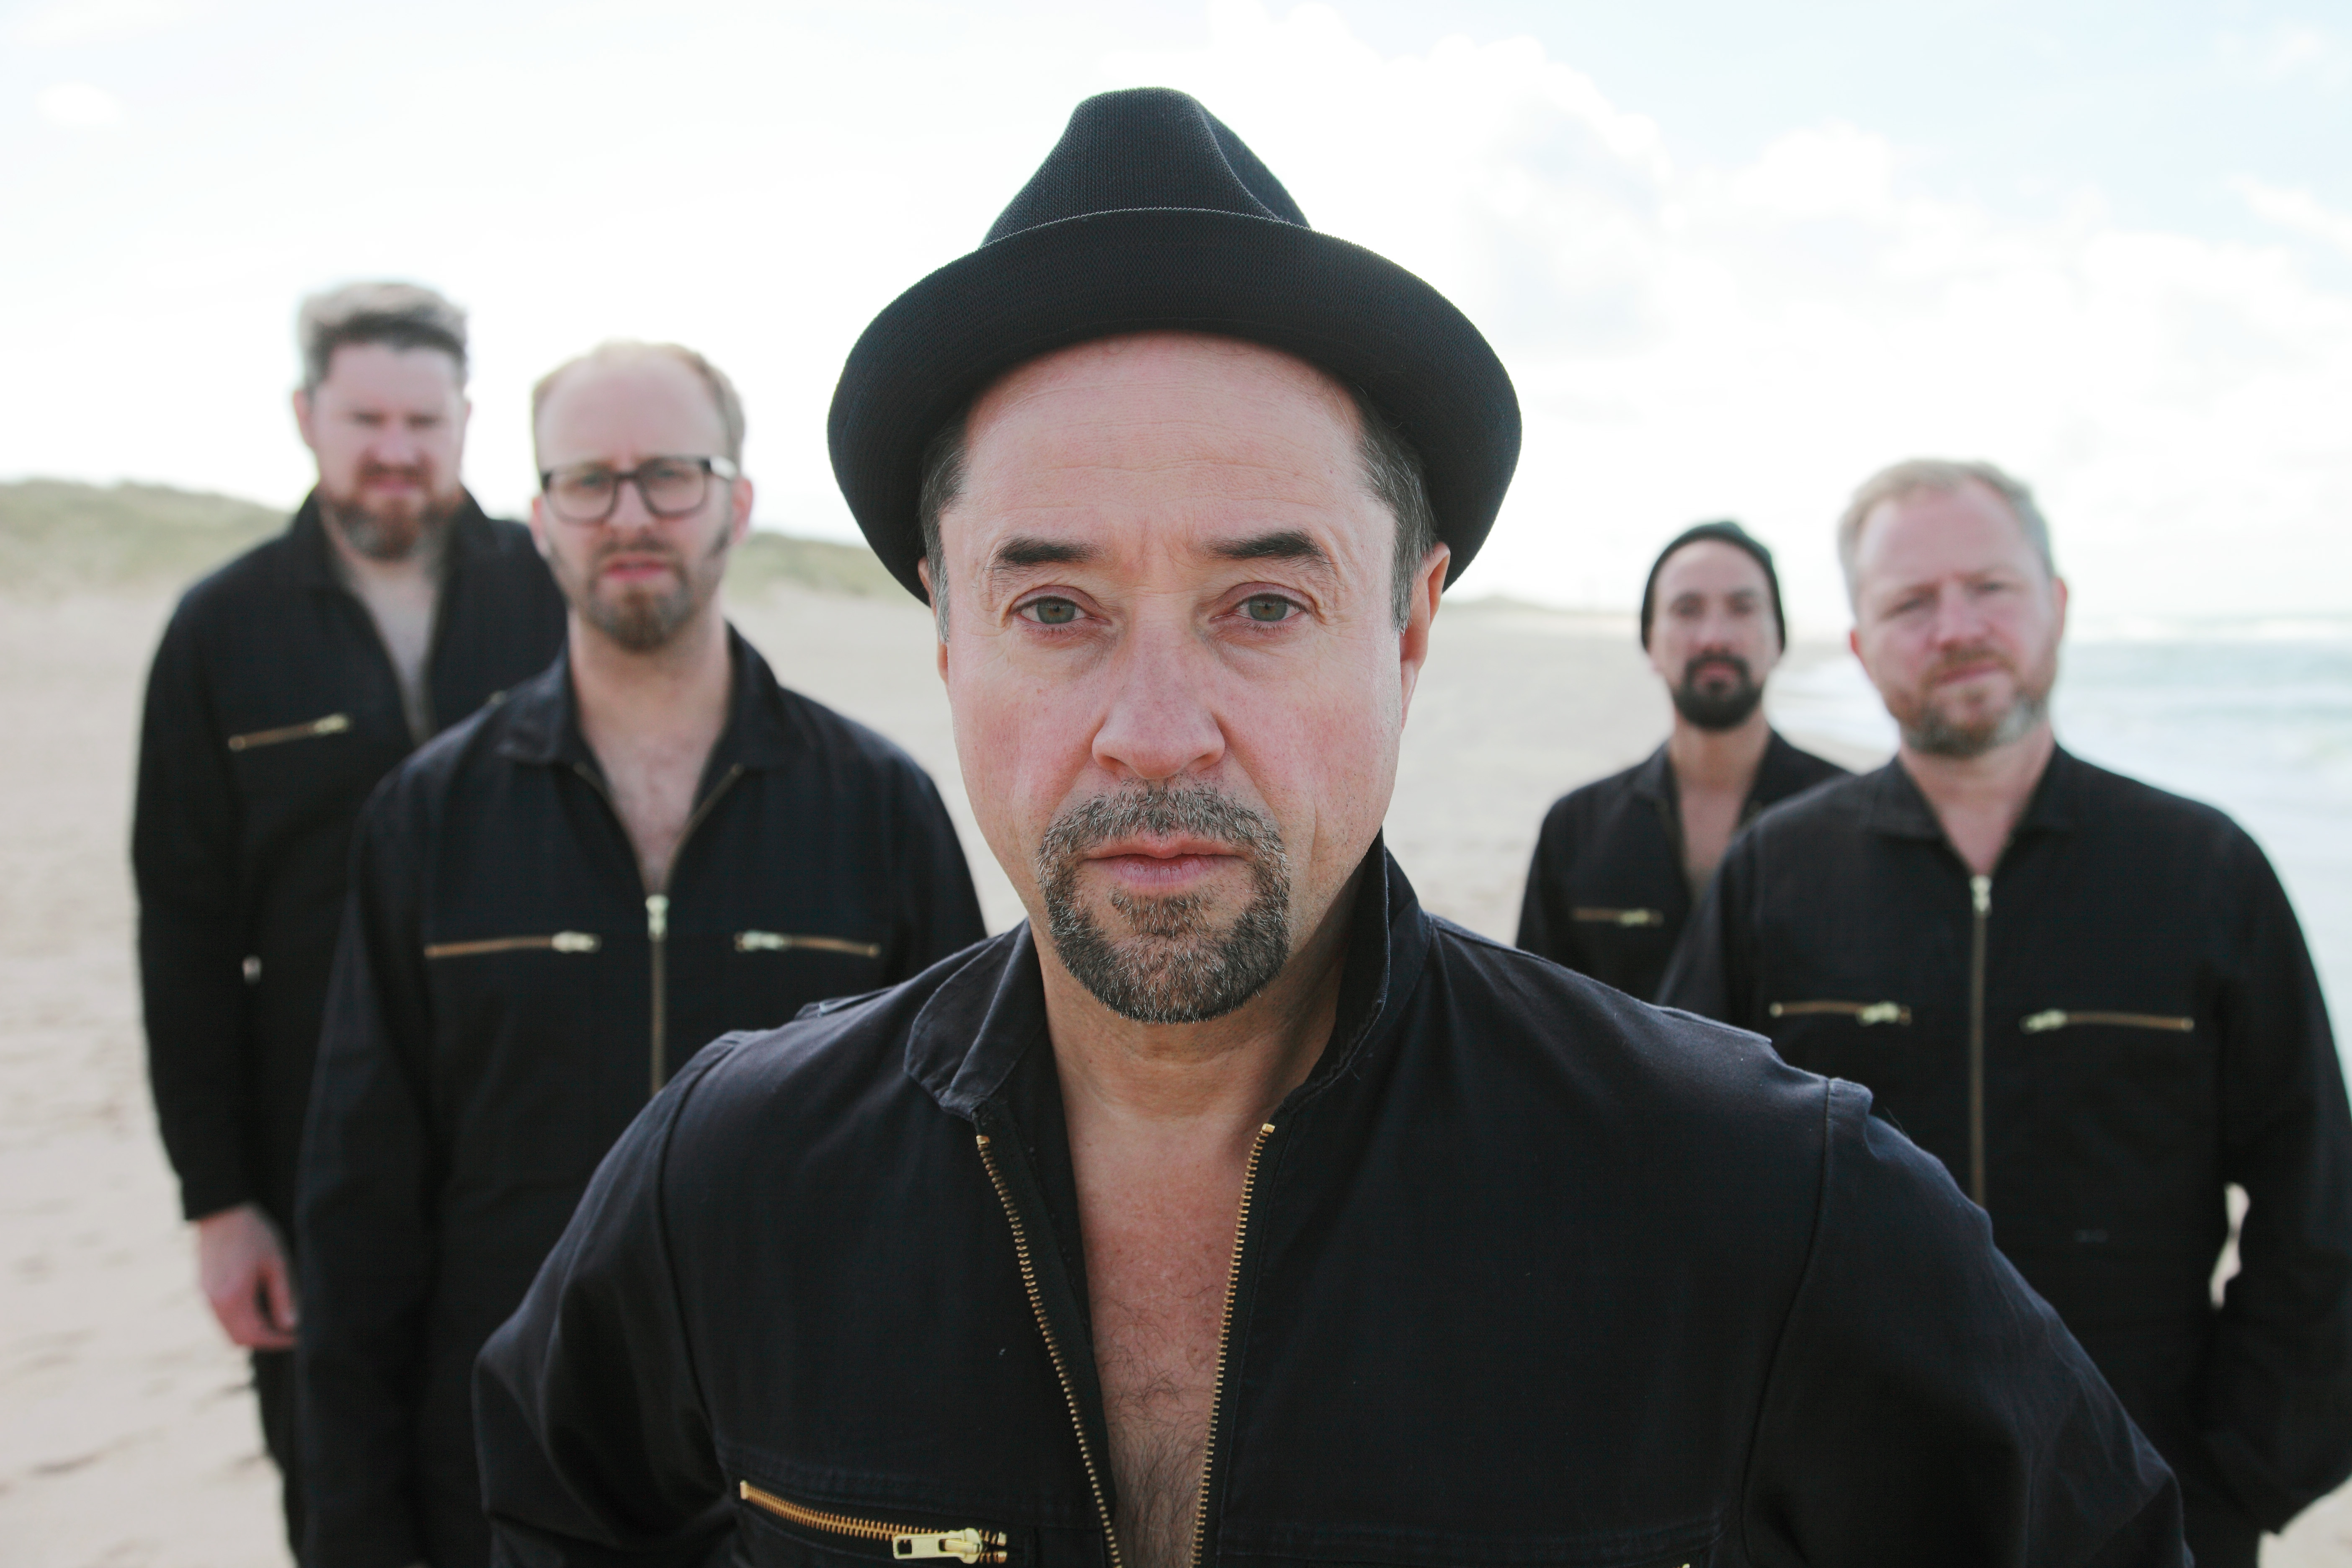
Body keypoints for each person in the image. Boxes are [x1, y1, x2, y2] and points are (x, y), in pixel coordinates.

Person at [475, 91, 2185, 1567]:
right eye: (1056, 608)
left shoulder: (1753, 1198)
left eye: (1263, 605)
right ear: (947, 638)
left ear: (1409, 629)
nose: (1155, 731)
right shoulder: (732, 1175)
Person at [294, 340, 988, 1568]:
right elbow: (360, 1212)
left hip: (802, 1492)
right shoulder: (428, 817)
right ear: (539, 520)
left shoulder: (878, 805)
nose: (628, 516)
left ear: (738, 502)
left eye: (671, 474)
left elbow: (961, 1186)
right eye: (588, 481)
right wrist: (352, 1527)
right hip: (493, 1488)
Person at [1661, 458, 2352, 1567]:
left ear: (2057, 604)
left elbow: (2318, 1199)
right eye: (1911, 602)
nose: (1957, 628)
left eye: (1990, 587)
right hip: (1846, 1508)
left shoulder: (2205, 871)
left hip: (2156, 1503)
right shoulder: (1774, 876)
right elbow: (1676, 1173)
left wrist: (2245, 1473)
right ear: (1861, 645)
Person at [130, 281, 565, 1550]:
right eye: (365, 418)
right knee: (346, 1498)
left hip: (542, 1131)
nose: (395, 449)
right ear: (305, 416)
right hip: (309, 1143)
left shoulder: (553, 595)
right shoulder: (223, 629)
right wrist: (221, 1202)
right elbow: (184, 929)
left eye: (422, 421)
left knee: (568, 1489)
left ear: (466, 420)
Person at [1516, 521, 1844, 998]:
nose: (1714, 637)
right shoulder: (1576, 830)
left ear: (1779, 639)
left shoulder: (1851, 827)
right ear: (1650, 642)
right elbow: (1534, 1015)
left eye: (1743, 608)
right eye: (1687, 610)